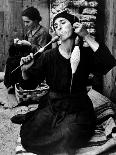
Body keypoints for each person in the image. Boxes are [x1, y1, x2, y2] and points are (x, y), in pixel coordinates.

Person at [13, 11, 116, 155]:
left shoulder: (85, 54)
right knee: (31, 134)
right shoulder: (48, 56)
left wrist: (86, 35)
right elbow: (28, 85)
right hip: (52, 105)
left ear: (74, 26)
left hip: (78, 108)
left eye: (63, 22)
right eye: (56, 25)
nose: (59, 28)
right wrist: (24, 70)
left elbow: (108, 63)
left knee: (68, 133)